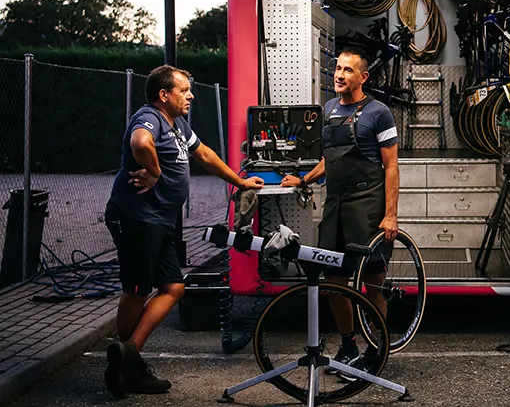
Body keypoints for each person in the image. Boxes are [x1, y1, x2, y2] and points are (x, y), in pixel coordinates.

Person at [103, 65, 264, 398]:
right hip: (138, 218)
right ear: (165, 95)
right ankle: (124, 363)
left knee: (174, 287)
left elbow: (203, 153)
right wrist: (154, 170)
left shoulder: (176, 125)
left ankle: (128, 354)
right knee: (137, 290)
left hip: (159, 220)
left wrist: (239, 180)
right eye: (184, 90)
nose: (191, 95)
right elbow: (139, 141)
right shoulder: (148, 117)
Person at [280, 48, 399, 377]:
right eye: (337, 69)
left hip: (368, 204)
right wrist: (305, 179)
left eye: (348, 70)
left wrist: (390, 214)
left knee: (373, 282)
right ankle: (348, 345)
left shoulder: (379, 113)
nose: (340, 74)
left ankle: (377, 350)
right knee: (333, 279)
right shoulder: (329, 109)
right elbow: (330, 159)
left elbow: (391, 168)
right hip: (335, 203)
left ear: (363, 77)